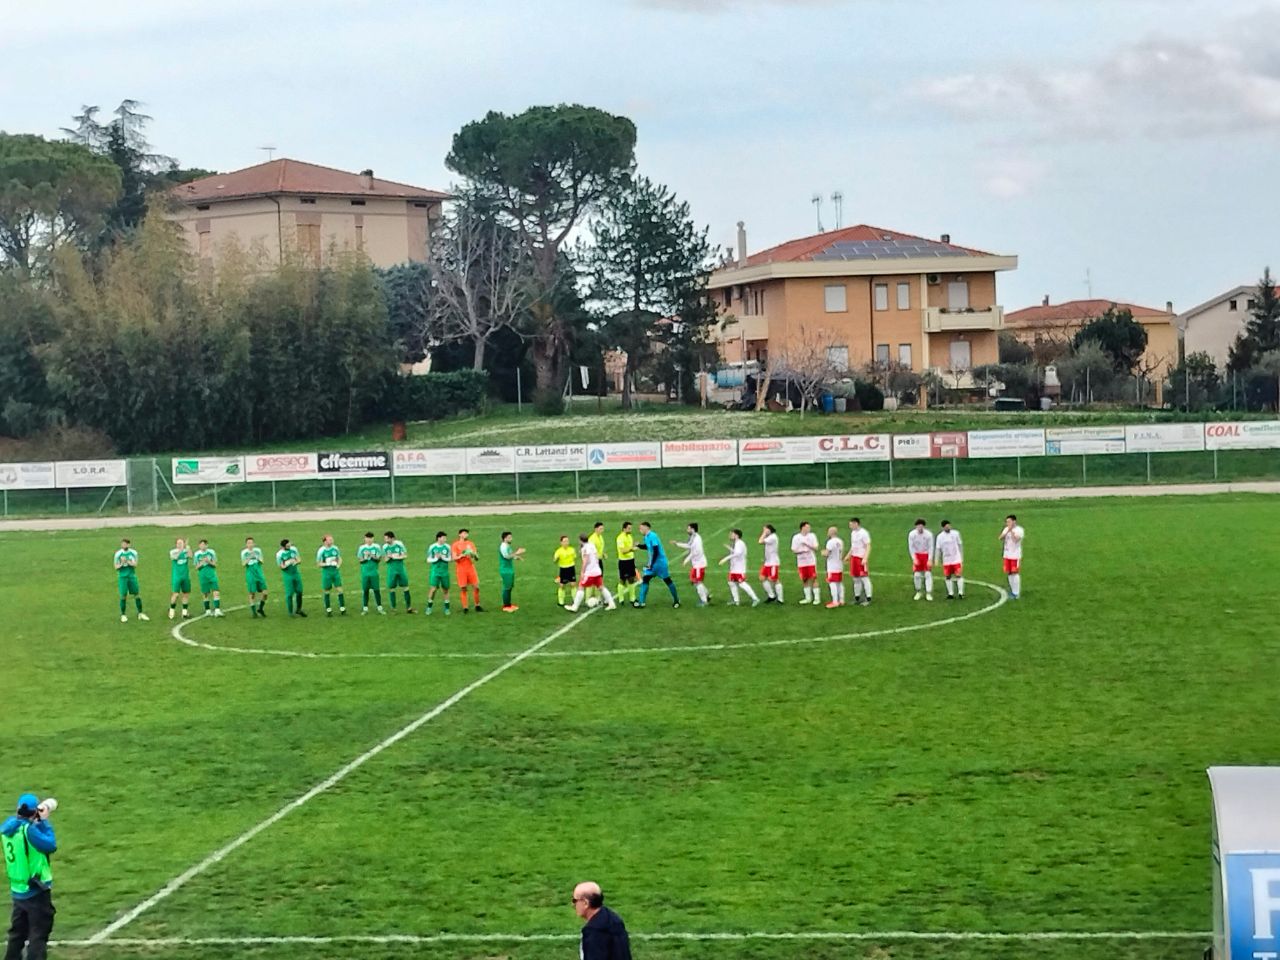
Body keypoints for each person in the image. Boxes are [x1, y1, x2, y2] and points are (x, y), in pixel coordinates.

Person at [3, 794, 57, 960]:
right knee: (38, 935)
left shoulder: (7, 830)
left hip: (18, 890)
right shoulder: (30, 831)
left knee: (17, 934)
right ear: (34, 813)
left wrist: (34, 820)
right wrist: (43, 822)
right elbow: (50, 844)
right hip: (35, 890)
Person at [572, 881, 631, 960]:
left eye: (575, 901)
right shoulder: (613, 918)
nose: (573, 905)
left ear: (585, 903)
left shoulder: (594, 931)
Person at [565, 533, 617, 612]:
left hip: (590, 572)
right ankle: (611, 603)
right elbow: (596, 557)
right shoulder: (592, 545)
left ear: (580, 540)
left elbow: (585, 561)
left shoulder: (585, 549)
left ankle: (575, 607)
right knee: (601, 587)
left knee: (581, 587)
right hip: (597, 571)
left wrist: (582, 571)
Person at [634, 521, 680, 609]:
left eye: (641, 528)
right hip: (652, 564)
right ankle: (641, 602)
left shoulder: (653, 536)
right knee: (646, 579)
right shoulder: (647, 537)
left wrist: (651, 564)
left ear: (646, 528)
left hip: (660, 564)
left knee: (667, 580)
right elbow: (648, 547)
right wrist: (639, 546)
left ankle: (676, 600)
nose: (640, 530)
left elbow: (655, 550)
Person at [719, 529, 760, 606]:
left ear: (736, 535)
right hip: (734, 568)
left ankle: (755, 598)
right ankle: (736, 601)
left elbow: (737, 553)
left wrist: (725, 559)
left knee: (742, 584)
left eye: (732, 534)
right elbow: (737, 552)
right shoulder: (737, 543)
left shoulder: (739, 543)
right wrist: (729, 548)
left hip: (739, 568)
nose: (730, 535)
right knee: (731, 582)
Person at [674, 522, 710, 606]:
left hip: (699, 565)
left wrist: (686, 560)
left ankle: (704, 601)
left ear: (693, 529)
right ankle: (707, 595)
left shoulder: (697, 539)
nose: (687, 530)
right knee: (694, 581)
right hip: (697, 564)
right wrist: (677, 544)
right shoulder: (693, 537)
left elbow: (695, 552)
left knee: (697, 582)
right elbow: (689, 546)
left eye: (688, 528)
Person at [113, 538, 148, 623]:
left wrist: (127, 561)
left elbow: (135, 564)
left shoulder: (134, 553)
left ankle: (140, 613)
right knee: (123, 595)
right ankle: (123, 615)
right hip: (122, 577)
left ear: (129, 545)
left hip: (132, 576)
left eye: (125, 544)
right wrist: (121, 563)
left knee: (136, 594)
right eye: (122, 544)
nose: (123, 545)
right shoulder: (118, 554)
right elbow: (116, 567)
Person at [452, 529, 482, 613]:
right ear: (460, 534)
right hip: (461, 569)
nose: (466, 535)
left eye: (467, 533)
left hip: (470, 567)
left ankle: (477, 605)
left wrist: (473, 554)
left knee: (476, 587)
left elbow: (477, 558)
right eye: (464, 533)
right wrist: (462, 555)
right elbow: (454, 558)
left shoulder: (470, 544)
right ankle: (465, 607)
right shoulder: (455, 545)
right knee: (463, 588)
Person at [383, 531, 414, 613]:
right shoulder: (385, 547)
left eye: (386, 538)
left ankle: (409, 607)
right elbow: (385, 560)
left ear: (392, 538)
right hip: (391, 570)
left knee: (406, 587)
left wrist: (395, 556)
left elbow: (405, 555)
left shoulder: (399, 544)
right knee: (392, 588)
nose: (385, 540)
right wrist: (389, 557)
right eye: (385, 538)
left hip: (400, 569)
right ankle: (393, 608)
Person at [316, 534, 346, 616]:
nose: (332, 541)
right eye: (330, 540)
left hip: (335, 572)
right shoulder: (321, 551)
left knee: (340, 589)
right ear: (325, 541)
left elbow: (339, 558)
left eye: (332, 539)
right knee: (327, 591)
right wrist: (327, 563)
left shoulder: (335, 548)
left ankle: (342, 608)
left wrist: (338, 564)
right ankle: (328, 610)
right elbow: (318, 564)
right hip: (327, 573)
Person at [790, 521, 820, 605]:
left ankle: (817, 598)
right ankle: (808, 598)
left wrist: (807, 544)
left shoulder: (812, 536)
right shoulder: (796, 537)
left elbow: (816, 548)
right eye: (807, 527)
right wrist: (802, 551)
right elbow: (793, 549)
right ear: (802, 528)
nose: (809, 529)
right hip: (801, 562)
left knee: (814, 578)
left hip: (811, 561)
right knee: (804, 579)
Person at [357, 532, 386, 616]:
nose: (369, 540)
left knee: (376, 590)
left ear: (373, 539)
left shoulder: (376, 547)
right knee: (365, 590)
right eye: (367, 538)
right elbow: (360, 560)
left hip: (374, 572)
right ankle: (365, 608)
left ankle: (380, 607)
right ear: (365, 539)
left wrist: (372, 557)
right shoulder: (362, 548)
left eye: (371, 538)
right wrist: (365, 558)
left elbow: (379, 559)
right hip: (365, 572)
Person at [192, 539, 223, 617]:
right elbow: (196, 567)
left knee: (216, 591)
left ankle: (217, 610)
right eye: (201, 545)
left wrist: (208, 561)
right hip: (202, 575)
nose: (202, 546)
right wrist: (202, 563)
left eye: (204, 545)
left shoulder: (211, 552)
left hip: (212, 574)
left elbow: (215, 564)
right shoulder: (197, 554)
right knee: (205, 593)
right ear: (199, 546)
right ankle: (207, 610)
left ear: (207, 545)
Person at [276, 538, 307, 617]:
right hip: (287, 575)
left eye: (289, 544)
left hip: (296, 573)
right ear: (283, 547)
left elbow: (299, 559)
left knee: (299, 591)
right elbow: (280, 566)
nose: (289, 546)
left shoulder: (294, 549)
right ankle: (290, 612)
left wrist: (296, 562)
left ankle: (299, 609)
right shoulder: (279, 554)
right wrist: (287, 564)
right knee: (289, 594)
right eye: (287, 545)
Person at [935, 520, 965, 600]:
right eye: (946, 526)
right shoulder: (940, 537)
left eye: (949, 525)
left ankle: (960, 592)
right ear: (943, 527)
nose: (948, 527)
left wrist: (961, 557)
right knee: (948, 576)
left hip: (956, 559)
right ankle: (950, 593)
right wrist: (936, 560)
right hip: (946, 560)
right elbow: (938, 549)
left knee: (958, 575)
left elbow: (960, 545)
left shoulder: (956, 534)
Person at [846, 518, 872, 606]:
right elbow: (853, 546)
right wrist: (848, 555)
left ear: (856, 524)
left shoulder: (864, 533)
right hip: (854, 558)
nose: (850, 526)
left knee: (864, 578)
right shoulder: (853, 533)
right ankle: (857, 597)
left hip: (861, 558)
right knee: (855, 578)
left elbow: (868, 546)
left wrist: (865, 558)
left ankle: (868, 598)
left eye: (851, 524)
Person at [998, 514, 1025, 600]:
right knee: (1009, 572)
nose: (1007, 523)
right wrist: (1007, 531)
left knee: (1015, 572)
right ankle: (1013, 590)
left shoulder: (1019, 530)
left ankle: (1016, 593)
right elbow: (1000, 538)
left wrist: (1012, 531)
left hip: (1015, 555)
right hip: (1007, 554)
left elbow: (1016, 539)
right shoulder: (1006, 529)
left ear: (1014, 521)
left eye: (1009, 521)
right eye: (1007, 522)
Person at [425, 531, 452, 615]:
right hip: (435, 572)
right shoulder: (432, 547)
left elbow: (451, 558)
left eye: (445, 538)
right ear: (439, 538)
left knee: (446, 590)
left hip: (444, 572)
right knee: (433, 589)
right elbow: (428, 560)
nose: (445, 539)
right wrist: (436, 558)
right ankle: (429, 607)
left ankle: (447, 609)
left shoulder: (447, 547)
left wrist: (443, 557)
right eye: (443, 538)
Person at [241, 537, 269, 617]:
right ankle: (254, 612)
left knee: (265, 593)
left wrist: (256, 557)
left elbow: (262, 561)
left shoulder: (258, 551)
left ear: (254, 544)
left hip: (259, 572)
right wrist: (249, 558)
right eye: (248, 543)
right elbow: (243, 564)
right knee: (252, 593)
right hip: (250, 573)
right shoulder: (244, 552)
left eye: (251, 543)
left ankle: (260, 608)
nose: (250, 545)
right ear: (246, 544)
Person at [908, 519, 935, 601]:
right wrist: (914, 558)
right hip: (917, 554)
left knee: (927, 574)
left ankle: (928, 593)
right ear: (916, 526)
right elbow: (911, 547)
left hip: (926, 554)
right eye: (918, 526)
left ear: (924, 526)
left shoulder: (928, 534)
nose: (920, 527)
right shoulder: (912, 534)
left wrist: (930, 559)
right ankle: (918, 591)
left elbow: (931, 547)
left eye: (921, 526)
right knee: (917, 575)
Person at [498, 531, 525, 612]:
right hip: (505, 570)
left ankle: (509, 604)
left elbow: (510, 555)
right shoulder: (503, 546)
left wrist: (517, 557)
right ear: (505, 538)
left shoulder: (507, 546)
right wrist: (517, 552)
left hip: (509, 569)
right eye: (509, 537)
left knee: (510, 587)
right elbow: (506, 556)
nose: (511, 539)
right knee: (507, 588)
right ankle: (506, 606)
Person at [167, 537, 193, 621]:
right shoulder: (173, 552)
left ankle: (184, 613)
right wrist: (182, 550)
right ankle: (171, 611)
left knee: (186, 594)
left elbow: (191, 556)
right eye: (178, 543)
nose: (180, 545)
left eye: (181, 543)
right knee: (176, 594)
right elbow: (175, 558)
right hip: (176, 576)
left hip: (185, 576)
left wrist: (188, 549)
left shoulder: (186, 551)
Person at [758, 524, 783, 603]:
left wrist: (764, 534)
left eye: (765, 529)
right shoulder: (770, 537)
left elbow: (760, 541)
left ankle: (780, 599)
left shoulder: (773, 537)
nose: (764, 531)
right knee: (762, 577)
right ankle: (771, 596)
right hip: (768, 562)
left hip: (773, 563)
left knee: (774, 579)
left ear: (769, 530)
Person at [615, 521, 638, 605]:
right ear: (624, 528)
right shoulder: (620, 538)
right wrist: (632, 549)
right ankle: (621, 599)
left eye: (631, 528)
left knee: (632, 579)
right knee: (622, 580)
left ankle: (633, 598)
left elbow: (630, 547)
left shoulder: (630, 536)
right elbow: (622, 551)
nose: (630, 530)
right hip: (623, 562)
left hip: (631, 560)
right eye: (629, 528)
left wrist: (634, 546)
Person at [821, 526, 845, 608]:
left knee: (832, 583)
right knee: (839, 583)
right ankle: (841, 600)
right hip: (839, 564)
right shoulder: (840, 541)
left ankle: (835, 601)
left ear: (831, 532)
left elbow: (827, 553)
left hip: (832, 566)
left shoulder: (830, 542)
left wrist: (822, 552)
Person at [586, 522, 608, 605]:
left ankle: (598, 597)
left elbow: (599, 549)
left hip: (599, 561)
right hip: (593, 562)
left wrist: (603, 554)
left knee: (599, 580)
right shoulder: (592, 539)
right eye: (600, 529)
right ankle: (588, 599)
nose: (602, 530)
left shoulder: (600, 537)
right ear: (595, 529)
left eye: (602, 529)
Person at [553, 535, 577, 607]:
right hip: (563, 569)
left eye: (567, 541)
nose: (566, 543)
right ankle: (561, 601)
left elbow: (574, 558)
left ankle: (575, 600)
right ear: (561, 543)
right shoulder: (558, 551)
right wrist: (556, 559)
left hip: (571, 568)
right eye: (564, 541)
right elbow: (554, 560)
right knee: (562, 585)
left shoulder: (572, 549)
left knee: (573, 584)